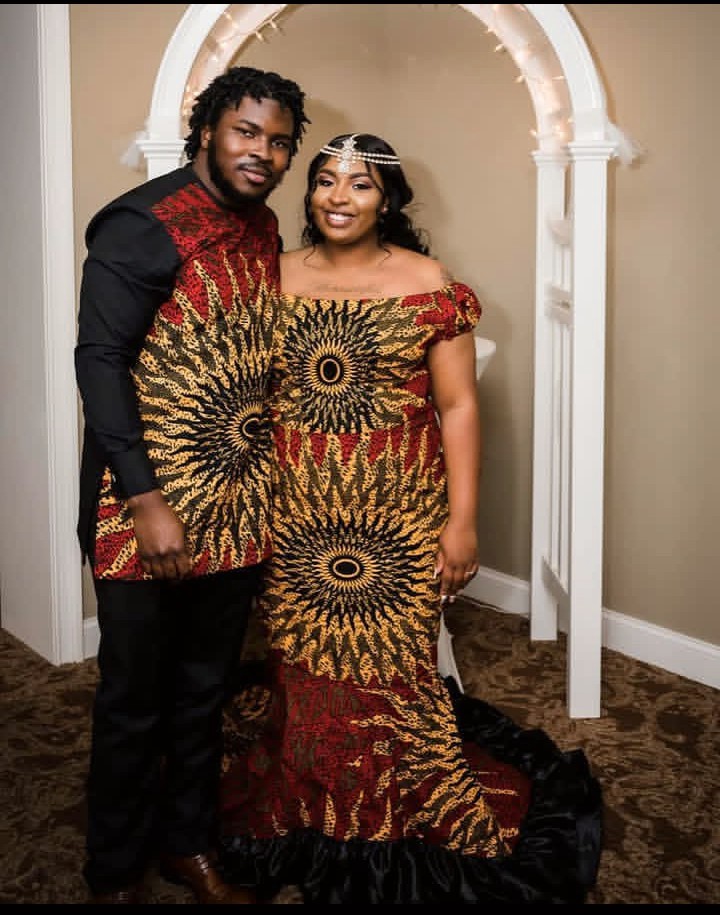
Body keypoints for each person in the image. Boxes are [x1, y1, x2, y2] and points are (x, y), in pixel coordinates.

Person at [217, 133, 603, 903]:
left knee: (393, 665)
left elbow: (458, 408)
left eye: (360, 184)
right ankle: (309, 792)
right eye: (326, 180)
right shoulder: (273, 275)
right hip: (297, 514)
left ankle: (395, 795)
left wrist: (462, 523)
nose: (338, 196)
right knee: (303, 661)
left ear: (387, 200)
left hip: (398, 518)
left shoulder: (428, 282)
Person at [74, 66, 309, 905]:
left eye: (278, 141)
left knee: (206, 689)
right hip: (144, 504)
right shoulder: (141, 226)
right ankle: (113, 872)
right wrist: (146, 499)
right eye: (246, 131)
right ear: (208, 129)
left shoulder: (264, 224)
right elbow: (99, 362)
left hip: (238, 499)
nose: (262, 152)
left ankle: (188, 845)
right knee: (134, 697)